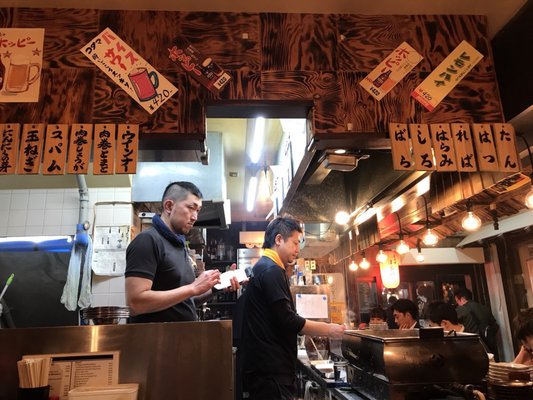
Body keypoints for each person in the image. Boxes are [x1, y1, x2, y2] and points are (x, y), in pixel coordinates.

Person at [241, 216, 345, 400]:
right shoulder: (270, 270)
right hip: (271, 373)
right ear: (279, 239)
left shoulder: (266, 267)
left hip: (267, 370)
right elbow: (288, 320)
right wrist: (330, 330)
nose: (298, 249)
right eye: (295, 243)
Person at [125, 181, 240, 323]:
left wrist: (217, 286)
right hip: (155, 342)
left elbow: (185, 302)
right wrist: (192, 287)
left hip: (179, 340)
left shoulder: (179, 245)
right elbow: (135, 303)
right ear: (169, 206)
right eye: (191, 208)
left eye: (198, 210)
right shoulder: (148, 241)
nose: (195, 217)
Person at [455, 288, 499, 356]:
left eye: (457, 301)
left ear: (463, 299)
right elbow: (495, 326)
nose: (457, 304)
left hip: (473, 346)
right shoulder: (485, 308)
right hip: (488, 345)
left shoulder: (460, 310)